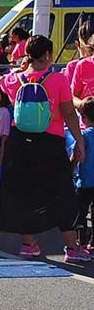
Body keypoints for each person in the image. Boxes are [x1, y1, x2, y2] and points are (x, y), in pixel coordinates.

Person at [0, 35, 88, 263]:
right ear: (47, 55)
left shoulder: (16, 79)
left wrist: (21, 67)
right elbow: (69, 113)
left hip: (19, 142)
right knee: (61, 192)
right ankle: (72, 248)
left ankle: (29, 244)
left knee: (21, 192)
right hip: (49, 142)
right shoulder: (57, 80)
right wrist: (79, 141)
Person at [73, 99, 94, 250]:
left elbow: (76, 155)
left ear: (84, 118)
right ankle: (92, 243)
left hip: (85, 181)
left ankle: (81, 241)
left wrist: (69, 168)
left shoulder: (84, 136)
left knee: (80, 212)